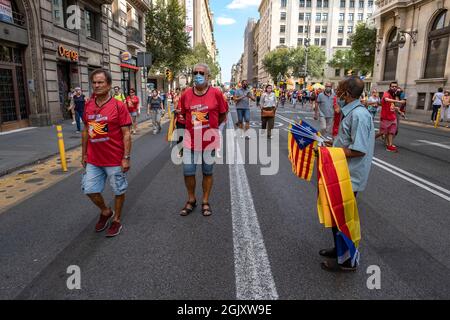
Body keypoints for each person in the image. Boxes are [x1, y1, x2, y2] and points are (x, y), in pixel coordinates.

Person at [320, 76, 375, 272]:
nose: (337, 92)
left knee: (344, 219)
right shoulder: (351, 112)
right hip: (341, 172)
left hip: (350, 176)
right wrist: (332, 144)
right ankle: (339, 250)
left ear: (348, 93)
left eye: (340, 89)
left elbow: (359, 149)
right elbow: (347, 141)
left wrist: (331, 152)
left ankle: (347, 261)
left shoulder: (359, 115)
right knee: (337, 216)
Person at [81, 69, 132, 238]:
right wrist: (84, 155)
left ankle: (116, 219)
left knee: (118, 190)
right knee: (89, 189)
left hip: (115, 159)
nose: (96, 85)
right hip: (94, 159)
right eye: (94, 82)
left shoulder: (118, 106)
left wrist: (126, 157)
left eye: (100, 82)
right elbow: (86, 131)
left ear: (109, 85)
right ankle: (105, 211)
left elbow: (126, 133)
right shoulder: (88, 104)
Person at [179, 63, 228, 217]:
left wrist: (212, 129)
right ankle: (191, 199)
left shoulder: (217, 93)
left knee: (207, 172)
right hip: (190, 141)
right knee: (188, 172)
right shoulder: (186, 94)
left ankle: (205, 201)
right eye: (195, 73)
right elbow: (182, 116)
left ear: (208, 76)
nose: (198, 75)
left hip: (209, 141)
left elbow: (222, 114)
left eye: (201, 73)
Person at [378, 82, 400, 152]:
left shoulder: (394, 94)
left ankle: (389, 145)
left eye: (395, 86)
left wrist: (399, 111)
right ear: (389, 87)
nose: (394, 88)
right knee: (382, 132)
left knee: (391, 132)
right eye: (392, 86)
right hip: (385, 117)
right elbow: (386, 99)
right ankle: (369, 140)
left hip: (392, 117)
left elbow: (392, 106)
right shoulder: (386, 93)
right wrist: (399, 101)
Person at [173, 88, 185, 157]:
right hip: (180, 121)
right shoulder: (178, 100)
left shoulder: (190, 101)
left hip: (188, 123)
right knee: (180, 137)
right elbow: (175, 110)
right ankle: (180, 151)